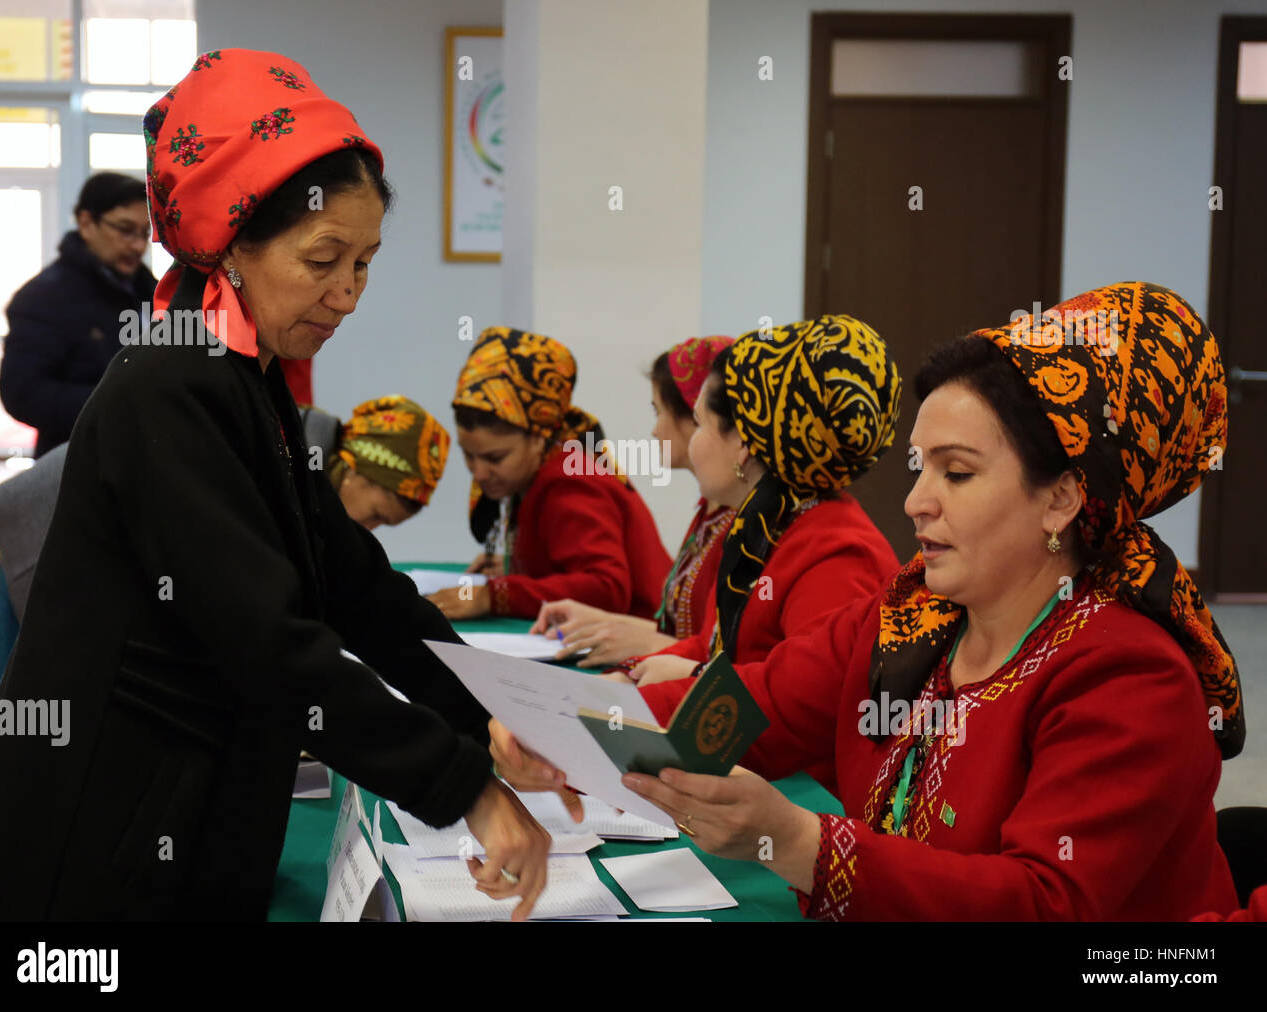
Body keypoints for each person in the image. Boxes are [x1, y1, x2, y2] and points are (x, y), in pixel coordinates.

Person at [0, 49, 549, 921]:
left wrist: (488, 711)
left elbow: (351, 580)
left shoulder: (245, 372)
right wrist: (464, 783)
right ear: (235, 242)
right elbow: (267, 640)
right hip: (95, 841)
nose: (348, 293)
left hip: (184, 816)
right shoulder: (169, 384)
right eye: (323, 260)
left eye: (366, 262)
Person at [493, 282, 1244, 920]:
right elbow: (752, 706)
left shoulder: (1129, 677)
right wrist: (567, 731)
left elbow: (1042, 902)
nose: (916, 503)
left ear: (1061, 498)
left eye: (957, 473)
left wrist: (802, 844)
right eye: (922, 469)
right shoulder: (913, 616)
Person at [610, 316, 901, 689]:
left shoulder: (837, 553)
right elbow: (712, 647)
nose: (692, 442)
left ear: (744, 444)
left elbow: (809, 697)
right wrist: (628, 675)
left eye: (699, 424)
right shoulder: (763, 524)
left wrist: (692, 681)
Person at [427, 326, 673, 621]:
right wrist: (515, 566)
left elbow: (606, 587)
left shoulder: (570, 481)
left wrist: (496, 595)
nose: (478, 472)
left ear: (538, 439)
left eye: (495, 457)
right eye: (469, 455)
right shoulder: (543, 469)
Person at [529, 335, 737, 667]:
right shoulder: (711, 510)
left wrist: (648, 641)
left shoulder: (744, 520)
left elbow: (727, 656)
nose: (654, 431)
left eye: (659, 412)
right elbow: (691, 635)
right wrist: (602, 623)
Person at [0, 172, 157, 458]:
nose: (137, 245)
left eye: (145, 233)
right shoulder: (44, 298)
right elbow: (22, 393)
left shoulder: (149, 290)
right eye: (125, 229)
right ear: (86, 223)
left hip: (141, 459)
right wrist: (121, 406)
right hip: (77, 466)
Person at [302, 395, 451, 530]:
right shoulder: (284, 469)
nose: (368, 529)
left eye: (380, 524)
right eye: (376, 515)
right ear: (357, 470)